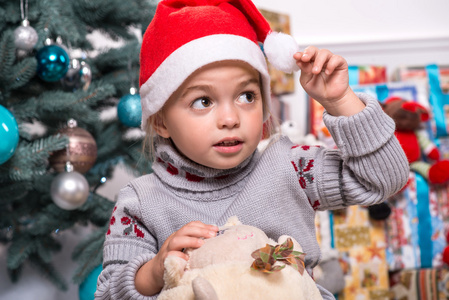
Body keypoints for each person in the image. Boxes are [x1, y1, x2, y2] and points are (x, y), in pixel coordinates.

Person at [95, 0, 409, 299]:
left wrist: (340, 102)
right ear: (161, 120)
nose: (231, 119)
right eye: (203, 101)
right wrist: (152, 273)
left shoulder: (291, 168)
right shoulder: (141, 204)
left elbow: (384, 179)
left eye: (247, 96)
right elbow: (107, 295)